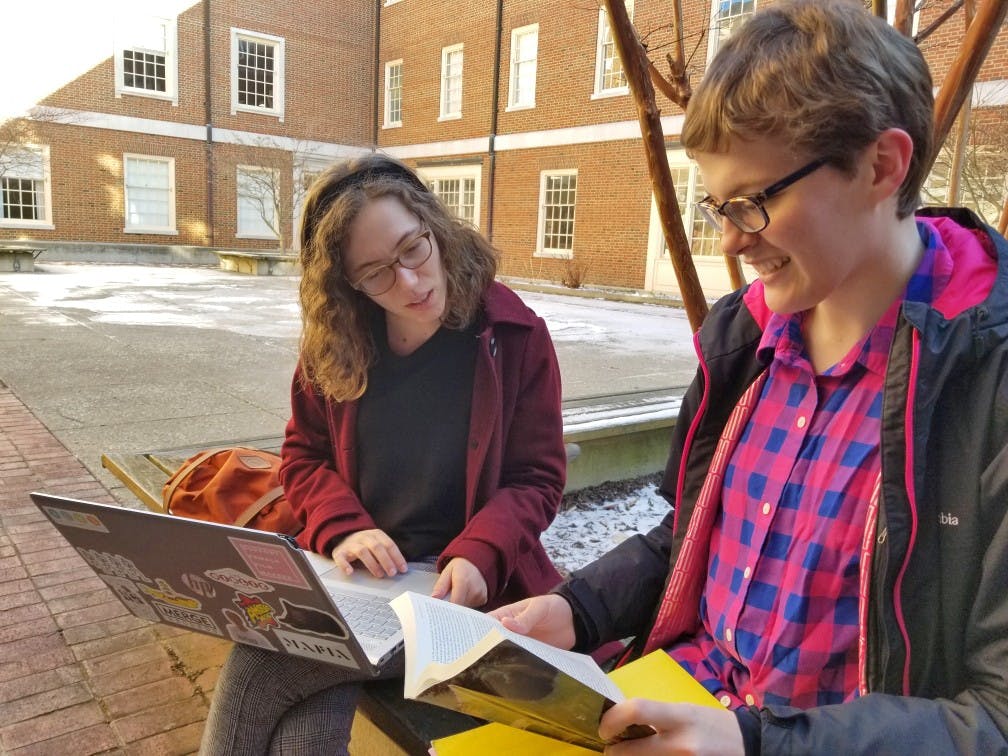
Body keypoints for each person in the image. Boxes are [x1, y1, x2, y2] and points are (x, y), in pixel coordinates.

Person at [492, 1, 1008, 753]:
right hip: (675, 703)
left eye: (757, 201)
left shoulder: (986, 381)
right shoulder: (743, 340)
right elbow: (694, 535)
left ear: (881, 165)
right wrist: (580, 609)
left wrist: (753, 742)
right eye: (719, 205)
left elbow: (994, 715)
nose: (732, 239)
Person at [201, 154, 566, 754]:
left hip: (454, 595)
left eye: (413, 250)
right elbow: (303, 456)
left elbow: (537, 477)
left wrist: (479, 555)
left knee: (263, 663)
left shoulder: (513, 335)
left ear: (434, 226)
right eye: (375, 274)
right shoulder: (338, 344)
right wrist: (344, 529)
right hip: (353, 582)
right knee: (300, 736)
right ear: (348, 284)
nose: (410, 284)